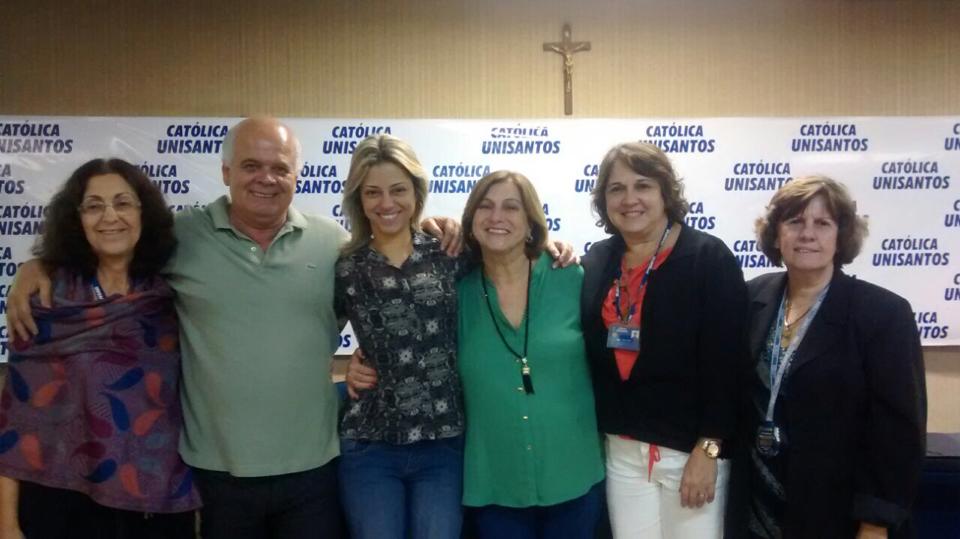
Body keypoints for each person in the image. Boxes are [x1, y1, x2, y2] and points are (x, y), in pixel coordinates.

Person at [5, 117, 463, 539]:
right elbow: (111, 244)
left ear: (297, 176)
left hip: (314, 470)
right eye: (250, 166)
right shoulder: (180, 237)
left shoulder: (334, 247)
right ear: (225, 172)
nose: (266, 178)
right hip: (218, 476)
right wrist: (37, 267)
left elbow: (389, 282)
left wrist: (434, 226)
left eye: (279, 168)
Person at [0, 158, 200, 538]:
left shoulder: (172, 295)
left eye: (123, 203)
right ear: (77, 219)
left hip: (155, 501)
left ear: (143, 213)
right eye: (94, 206)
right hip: (61, 500)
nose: (110, 216)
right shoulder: (47, 298)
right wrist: (5, 524)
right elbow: (15, 420)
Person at [725, 176, 926, 539]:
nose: (807, 234)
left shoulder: (883, 313)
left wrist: (875, 523)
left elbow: (897, 431)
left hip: (838, 514)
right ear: (776, 235)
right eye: (794, 221)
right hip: (754, 507)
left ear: (841, 236)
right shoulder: (752, 297)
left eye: (822, 223)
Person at [580, 142, 748, 538]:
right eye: (616, 189)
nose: (630, 199)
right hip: (622, 451)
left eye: (643, 185)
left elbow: (728, 365)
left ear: (665, 193)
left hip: (689, 452)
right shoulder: (598, 260)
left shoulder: (708, 258)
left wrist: (709, 449)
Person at [456, 170, 604, 538]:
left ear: (531, 222)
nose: (497, 217)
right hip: (495, 483)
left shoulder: (572, 277)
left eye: (511, 207)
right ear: (471, 219)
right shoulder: (454, 294)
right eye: (485, 207)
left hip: (573, 474)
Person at [334, 134, 467, 538]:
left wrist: (551, 243)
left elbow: (512, 259)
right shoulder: (345, 267)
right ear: (358, 199)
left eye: (398, 190)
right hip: (370, 444)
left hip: (442, 440)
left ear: (416, 192)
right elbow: (307, 334)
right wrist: (344, 368)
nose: (386, 203)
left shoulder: (451, 253)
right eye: (372, 192)